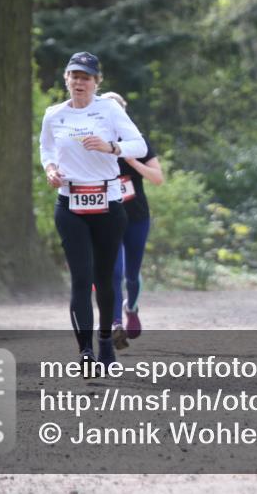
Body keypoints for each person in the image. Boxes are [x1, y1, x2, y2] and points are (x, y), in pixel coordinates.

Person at [39, 52, 147, 371]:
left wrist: (111, 148)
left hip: (107, 202)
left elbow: (139, 145)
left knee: (105, 278)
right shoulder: (53, 114)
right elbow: (46, 148)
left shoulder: (110, 110)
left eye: (86, 77)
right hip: (69, 203)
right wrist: (50, 169)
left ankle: (105, 344)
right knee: (81, 280)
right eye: (74, 76)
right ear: (66, 79)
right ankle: (85, 352)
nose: (79, 82)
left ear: (97, 82)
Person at [100, 92, 163, 349]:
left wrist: (131, 160)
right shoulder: (96, 142)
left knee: (131, 275)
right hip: (106, 216)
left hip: (136, 215)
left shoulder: (138, 141)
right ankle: (115, 323)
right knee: (113, 272)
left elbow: (158, 177)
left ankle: (131, 307)